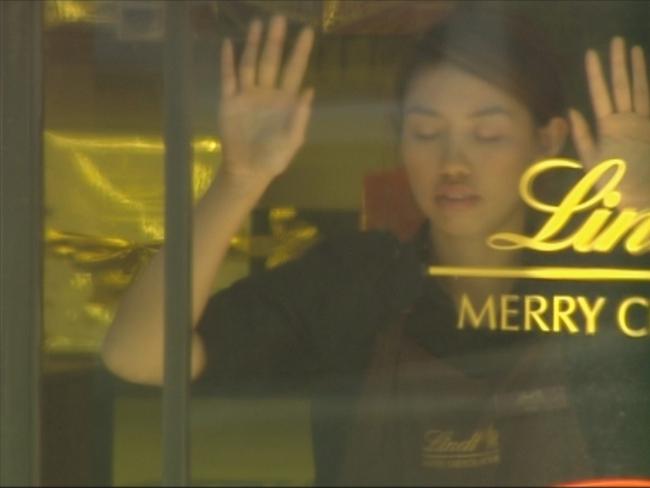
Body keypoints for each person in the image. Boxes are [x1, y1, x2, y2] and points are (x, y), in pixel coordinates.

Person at [101, 5, 650, 486]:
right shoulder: (354, 281)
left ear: (547, 143)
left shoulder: (606, 286)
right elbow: (141, 356)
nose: (453, 162)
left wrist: (640, 218)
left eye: (488, 134)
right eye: (426, 132)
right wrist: (239, 180)